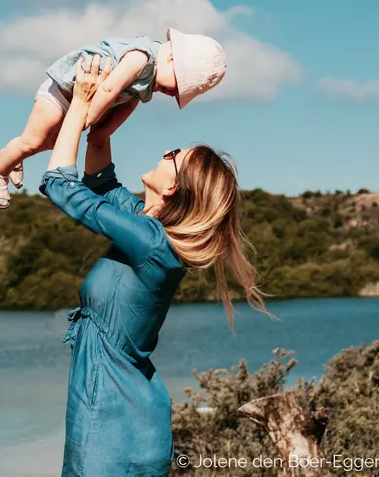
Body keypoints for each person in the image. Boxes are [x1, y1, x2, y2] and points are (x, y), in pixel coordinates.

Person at [39, 54, 273, 476]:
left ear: (173, 187)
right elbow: (102, 182)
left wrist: (78, 106)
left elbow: (61, 186)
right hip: (116, 409)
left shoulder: (151, 243)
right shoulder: (149, 230)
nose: (165, 152)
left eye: (173, 155)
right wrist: (104, 122)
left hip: (112, 420)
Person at [0, 28, 227, 208]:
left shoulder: (150, 79)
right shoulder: (141, 57)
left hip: (80, 103)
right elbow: (109, 90)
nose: (174, 93)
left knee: (51, 143)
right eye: (179, 86)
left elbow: (129, 102)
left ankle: (12, 155)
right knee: (33, 141)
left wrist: (104, 131)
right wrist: (85, 120)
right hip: (63, 90)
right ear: (172, 58)